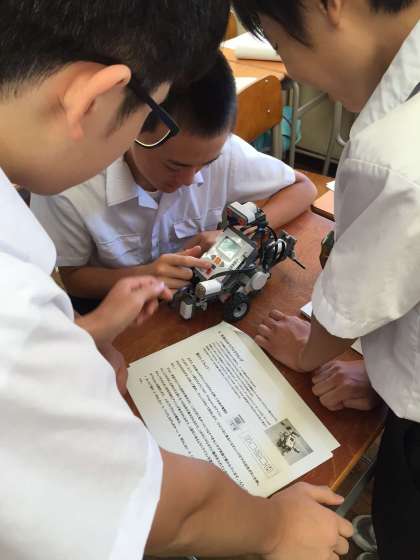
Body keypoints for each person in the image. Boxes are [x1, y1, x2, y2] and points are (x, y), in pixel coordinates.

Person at [0, 2, 353, 560]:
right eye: (153, 120)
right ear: (93, 99)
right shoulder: (25, 285)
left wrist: (85, 336)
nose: (190, 180)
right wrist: (276, 528)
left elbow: (297, 190)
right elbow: (146, 507)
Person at [232, 1, 420, 558]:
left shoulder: (395, 152)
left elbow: (347, 311)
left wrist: (309, 351)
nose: (290, 68)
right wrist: (382, 376)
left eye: (278, 43)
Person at [31, 52, 317, 314]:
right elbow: (72, 278)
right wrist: (145, 275)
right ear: (133, 128)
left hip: (190, 306)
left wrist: (238, 238)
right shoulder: (69, 183)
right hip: (117, 312)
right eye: (175, 166)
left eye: (206, 164)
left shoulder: (221, 152)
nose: (191, 179)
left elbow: (303, 188)